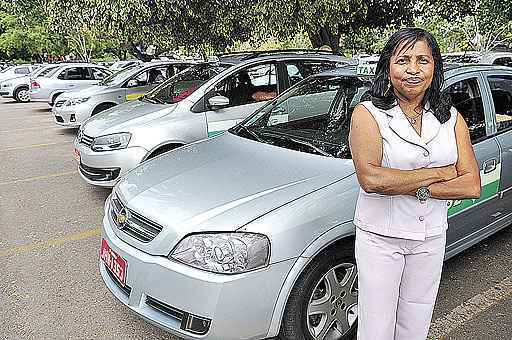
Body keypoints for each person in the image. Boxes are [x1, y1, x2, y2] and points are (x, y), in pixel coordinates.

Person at [348, 27, 481, 340]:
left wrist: (416, 187)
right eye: (403, 59)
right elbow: (372, 179)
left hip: (430, 237)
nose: (412, 69)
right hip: (381, 239)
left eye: (423, 60)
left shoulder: (450, 117)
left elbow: (471, 185)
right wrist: (440, 173)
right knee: (376, 328)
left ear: (435, 67)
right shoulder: (368, 114)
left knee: (416, 323)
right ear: (387, 66)